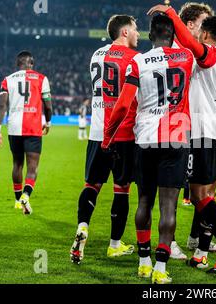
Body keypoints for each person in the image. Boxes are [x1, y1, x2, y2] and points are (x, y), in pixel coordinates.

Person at [148, 5, 216, 274]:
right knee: (206, 196)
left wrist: (170, 14)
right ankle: (201, 252)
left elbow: (190, 44)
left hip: (204, 133)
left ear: (205, 34)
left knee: (200, 195)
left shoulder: (210, 55)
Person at [102, 13, 195, 284]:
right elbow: (189, 43)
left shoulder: (138, 61)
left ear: (151, 36)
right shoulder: (187, 58)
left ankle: (144, 262)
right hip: (176, 137)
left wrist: (108, 137)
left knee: (144, 201)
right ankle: (161, 268)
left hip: (144, 137)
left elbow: (122, 105)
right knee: (169, 207)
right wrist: (175, 18)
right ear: (174, 36)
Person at [70, 15, 140, 264]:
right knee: (122, 190)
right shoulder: (135, 59)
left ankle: (83, 225)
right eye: (134, 29)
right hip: (124, 134)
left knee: (92, 185)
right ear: (124, 32)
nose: (138, 33)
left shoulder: (96, 55)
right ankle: (114, 245)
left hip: (97, 133)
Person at [174, 1, 216, 254]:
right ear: (189, 24)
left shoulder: (202, 51)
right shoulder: (174, 49)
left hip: (204, 129)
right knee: (173, 185)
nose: (207, 30)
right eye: (203, 23)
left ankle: (195, 239)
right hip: (177, 128)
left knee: (207, 189)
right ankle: (168, 242)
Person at [0, 50, 52, 215]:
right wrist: (48, 122)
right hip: (33, 127)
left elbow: (2, 106)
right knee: (32, 167)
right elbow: (48, 105)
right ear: (31, 63)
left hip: (14, 127)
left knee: (17, 164)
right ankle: (26, 195)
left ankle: (18, 200)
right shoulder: (42, 78)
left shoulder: (8, 80)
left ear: (17, 64)